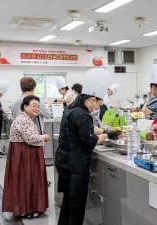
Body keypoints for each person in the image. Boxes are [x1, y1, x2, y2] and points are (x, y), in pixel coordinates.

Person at [55, 68, 120, 225]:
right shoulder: (82, 114)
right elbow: (90, 140)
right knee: (77, 204)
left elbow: (88, 129)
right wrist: (107, 135)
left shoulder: (72, 109)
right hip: (74, 164)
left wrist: (105, 130)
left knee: (68, 201)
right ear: (92, 99)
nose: (98, 107)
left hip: (64, 161)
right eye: (99, 103)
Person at [2, 95, 51, 219]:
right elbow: (31, 138)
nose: (36, 109)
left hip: (24, 154)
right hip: (25, 155)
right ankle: (28, 208)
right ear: (25, 106)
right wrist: (44, 137)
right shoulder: (23, 120)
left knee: (23, 181)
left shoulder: (25, 118)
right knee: (28, 181)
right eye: (34, 105)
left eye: (38, 107)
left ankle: (26, 207)